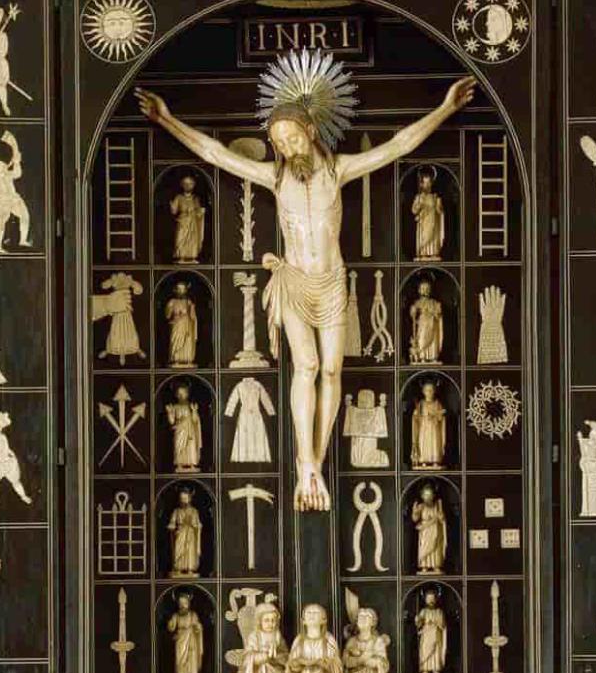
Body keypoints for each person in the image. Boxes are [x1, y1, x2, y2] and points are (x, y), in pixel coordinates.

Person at [136, 50, 476, 511]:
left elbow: (398, 146)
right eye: (279, 142)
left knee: (333, 370)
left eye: (292, 137)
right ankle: (306, 463)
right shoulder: (275, 178)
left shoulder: (339, 170)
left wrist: (445, 109)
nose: (287, 147)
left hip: (331, 283)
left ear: (311, 131)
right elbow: (216, 154)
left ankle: (317, 458)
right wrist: (167, 120)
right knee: (308, 367)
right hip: (295, 282)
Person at [0, 131, 31, 252]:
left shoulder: (8, 175)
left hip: (14, 199)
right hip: (2, 203)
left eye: (0, 164)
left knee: (25, 216)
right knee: (0, 224)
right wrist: (6, 200)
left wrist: (16, 162)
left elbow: (18, 173)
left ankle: (23, 240)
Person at [286, 604, 343, 673]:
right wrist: (307, 662)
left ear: (323, 620)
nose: (312, 614)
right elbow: (292, 663)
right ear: (303, 621)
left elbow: (335, 664)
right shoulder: (299, 640)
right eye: (309, 612)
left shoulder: (328, 639)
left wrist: (325, 664)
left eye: (316, 612)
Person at [240, 602, 288, 673]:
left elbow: (285, 654)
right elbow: (248, 656)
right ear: (259, 622)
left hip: (275, 668)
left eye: (273, 620)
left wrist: (277, 656)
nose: (270, 624)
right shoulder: (255, 636)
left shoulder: (277, 636)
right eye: (266, 620)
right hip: (259, 669)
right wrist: (262, 657)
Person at [412, 484, 447, 575]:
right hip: (425, 530)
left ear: (433, 495)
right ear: (422, 496)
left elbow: (442, 519)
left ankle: (436, 566)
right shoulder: (421, 506)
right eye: (426, 495)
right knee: (424, 546)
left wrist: (441, 515)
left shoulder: (437, 506)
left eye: (430, 494)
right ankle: (424, 566)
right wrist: (414, 511)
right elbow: (415, 519)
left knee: (436, 548)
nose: (428, 497)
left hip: (436, 530)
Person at [166, 383, 202, 472]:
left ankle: (192, 465)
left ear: (187, 394)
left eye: (183, 393)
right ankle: (180, 465)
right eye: (179, 394)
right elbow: (171, 421)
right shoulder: (175, 407)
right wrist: (169, 413)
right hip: (179, 430)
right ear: (176, 395)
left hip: (190, 430)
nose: (181, 396)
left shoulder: (190, 406)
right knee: (179, 447)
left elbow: (195, 420)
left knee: (191, 447)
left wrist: (194, 411)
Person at [411, 382, 447, 469]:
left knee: (435, 443)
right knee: (423, 443)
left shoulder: (437, 403)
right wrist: (416, 414)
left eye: (431, 390)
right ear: (424, 392)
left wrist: (437, 415)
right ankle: (423, 460)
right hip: (424, 428)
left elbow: (441, 418)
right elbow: (417, 417)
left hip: (434, 429)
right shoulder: (421, 403)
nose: (429, 392)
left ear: (434, 391)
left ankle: (435, 461)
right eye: (427, 390)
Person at [170, 175, 205, 263]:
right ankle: (181, 257)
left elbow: (198, 212)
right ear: (182, 185)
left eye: (190, 184)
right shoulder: (179, 197)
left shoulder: (195, 199)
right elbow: (174, 211)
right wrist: (172, 206)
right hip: (182, 222)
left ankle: (192, 257)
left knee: (193, 240)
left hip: (192, 223)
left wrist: (201, 212)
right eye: (185, 184)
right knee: (180, 239)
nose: (188, 186)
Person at [343, 607, 390, 673]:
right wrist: (361, 659)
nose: (363, 619)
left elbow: (384, 664)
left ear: (372, 622)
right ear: (357, 621)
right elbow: (345, 662)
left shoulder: (377, 641)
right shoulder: (351, 641)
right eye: (361, 616)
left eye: (367, 616)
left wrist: (375, 662)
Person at [168, 487, 202, 577]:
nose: (183, 501)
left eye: (185, 498)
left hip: (190, 534)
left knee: (190, 551)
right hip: (180, 533)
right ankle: (178, 568)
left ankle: (190, 569)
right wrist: (172, 527)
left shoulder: (194, 511)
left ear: (189, 499)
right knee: (178, 550)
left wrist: (194, 525)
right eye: (182, 499)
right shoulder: (176, 511)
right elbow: (172, 522)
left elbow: (197, 524)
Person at [412, 168, 444, 261]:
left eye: (429, 183)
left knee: (433, 238)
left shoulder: (435, 197)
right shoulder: (419, 197)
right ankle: (423, 253)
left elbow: (440, 211)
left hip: (434, 223)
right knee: (424, 237)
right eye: (425, 183)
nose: (427, 185)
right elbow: (414, 210)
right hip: (423, 224)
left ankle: (433, 253)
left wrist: (439, 205)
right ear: (421, 184)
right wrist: (419, 205)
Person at [408, 280, 443, 365]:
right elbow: (413, 314)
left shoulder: (433, 302)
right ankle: (422, 357)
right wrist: (413, 311)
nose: (425, 290)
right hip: (423, 324)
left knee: (433, 341)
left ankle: (433, 357)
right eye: (423, 288)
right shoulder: (418, 302)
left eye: (427, 288)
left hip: (432, 324)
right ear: (419, 290)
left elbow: (438, 313)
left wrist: (435, 312)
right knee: (422, 339)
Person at [167, 592, 204, 673]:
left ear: (188, 604)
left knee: (192, 659)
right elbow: (171, 628)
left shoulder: (193, 615)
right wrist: (170, 624)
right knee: (180, 662)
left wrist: (198, 628)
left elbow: (197, 627)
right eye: (181, 603)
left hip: (191, 640)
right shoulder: (176, 615)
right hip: (180, 641)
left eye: (185, 603)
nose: (183, 606)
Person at [166, 281, 198, 367]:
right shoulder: (172, 301)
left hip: (187, 324)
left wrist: (192, 308)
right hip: (176, 324)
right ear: (176, 290)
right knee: (175, 341)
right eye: (179, 289)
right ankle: (175, 359)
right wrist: (173, 311)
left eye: (183, 289)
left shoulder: (188, 302)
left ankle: (188, 360)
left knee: (187, 340)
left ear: (185, 290)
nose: (181, 291)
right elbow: (168, 315)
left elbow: (193, 316)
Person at [415, 590, 446, 673]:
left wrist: (435, 622)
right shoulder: (424, 611)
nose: (431, 601)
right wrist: (418, 619)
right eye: (429, 599)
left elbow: (442, 625)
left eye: (432, 599)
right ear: (426, 600)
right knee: (425, 659)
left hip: (436, 638)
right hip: (426, 637)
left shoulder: (439, 611)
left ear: (435, 600)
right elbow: (419, 624)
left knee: (435, 658)